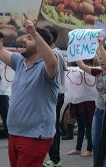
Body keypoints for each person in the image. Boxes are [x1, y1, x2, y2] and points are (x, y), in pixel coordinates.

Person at [0, 3, 59, 167]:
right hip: (15, 134)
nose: (23, 39)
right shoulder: (20, 61)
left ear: (39, 43)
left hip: (35, 137)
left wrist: (34, 33)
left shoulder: (47, 67)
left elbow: (52, 62)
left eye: (29, 39)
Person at [75, 37, 106, 166]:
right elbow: (81, 65)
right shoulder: (98, 72)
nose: (101, 62)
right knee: (96, 141)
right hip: (99, 110)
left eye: (103, 60)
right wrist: (76, 49)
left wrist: (101, 45)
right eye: (100, 60)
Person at [43, 28, 67, 167]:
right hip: (59, 94)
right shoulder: (58, 52)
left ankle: (55, 159)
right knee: (53, 126)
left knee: (52, 127)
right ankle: (54, 158)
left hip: (55, 95)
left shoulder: (53, 54)